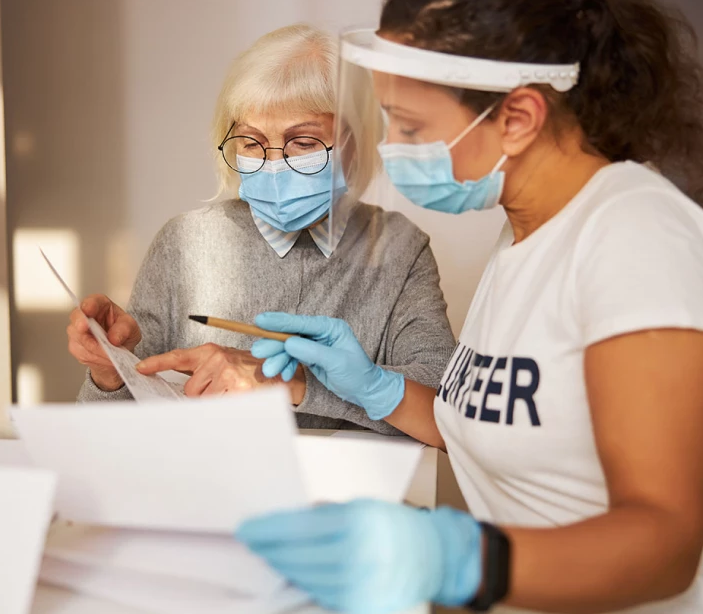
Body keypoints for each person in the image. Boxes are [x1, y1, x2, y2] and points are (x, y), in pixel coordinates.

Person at [234, 0, 703, 614]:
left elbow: (663, 542)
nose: (396, 156)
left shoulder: (637, 238)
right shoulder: (524, 236)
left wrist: (449, 554)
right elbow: (499, 420)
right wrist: (355, 383)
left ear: (519, 117)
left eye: (411, 129)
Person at [66, 24, 455, 433]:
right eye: (251, 143)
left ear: (354, 143)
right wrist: (109, 372)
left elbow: (445, 408)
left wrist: (296, 385)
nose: (273, 165)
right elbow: (112, 430)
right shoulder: (185, 243)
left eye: (302, 143)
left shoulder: (397, 247)